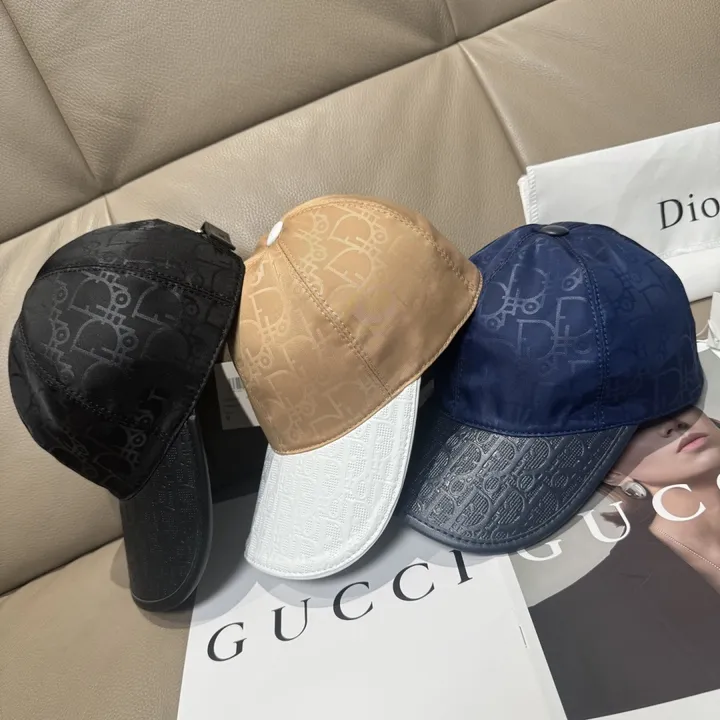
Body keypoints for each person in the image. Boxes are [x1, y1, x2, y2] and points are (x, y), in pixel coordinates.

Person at [527, 407, 720, 720]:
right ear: (613, 472)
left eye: (677, 400)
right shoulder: (575, 619)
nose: (671, 423)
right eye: (635, 425)